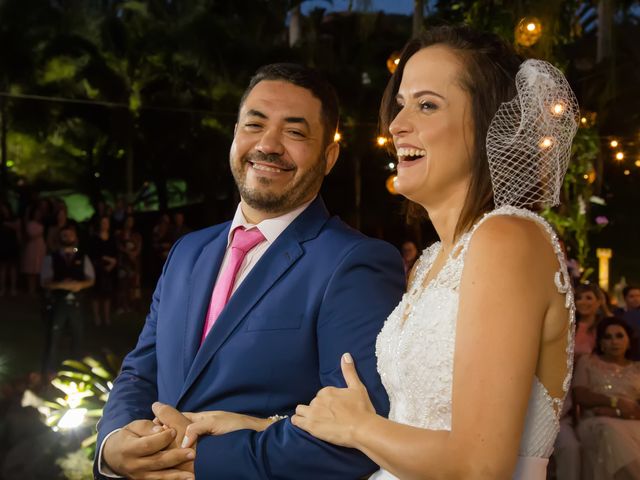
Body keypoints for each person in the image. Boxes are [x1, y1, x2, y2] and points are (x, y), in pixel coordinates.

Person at [158, 25, 579, 479]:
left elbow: (479, 466)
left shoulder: (509, 238)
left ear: (488, 126)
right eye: (401, 105)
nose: (397, 125)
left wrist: (359, 429)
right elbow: (405, 430)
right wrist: (248, 426)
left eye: (427, 105)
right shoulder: (430, 264)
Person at [94, 63, 406, 479]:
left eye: (294, 132)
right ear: (236, 135)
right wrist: (112, 444)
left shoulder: (355, 263)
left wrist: (193, 461)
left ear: (329, 156)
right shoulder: (188, 250)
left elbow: (357, 438)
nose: (269, 145)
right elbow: (141, 369)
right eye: (254, 124)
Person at [573, 317, 640, 479]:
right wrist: (614, 402)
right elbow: (580, 395)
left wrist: (618, 412)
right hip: (596, 421)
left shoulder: (637, 368)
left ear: (629, 341)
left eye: (619, 336)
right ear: (601, 343)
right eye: (607, 337)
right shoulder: (588, 362)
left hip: (632, 420)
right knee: (610, 430)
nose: (614, 341)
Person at [40, 225, 95, 372]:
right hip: (58, 302)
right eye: (64, 235)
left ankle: (75, 371)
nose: (67, 238)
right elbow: (45, 282)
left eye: (70, 235)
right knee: (54, 336)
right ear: (60, 238)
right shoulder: (51, 257)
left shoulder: (83, 257)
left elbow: (91, 279)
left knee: (78, 336)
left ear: (75, 237)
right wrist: (62, 285)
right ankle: (49, 371)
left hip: (77, 302)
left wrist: (79, 284)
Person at [89, 216, 118, 326]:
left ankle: (106, 317)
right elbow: (93, 254)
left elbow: (115, 253)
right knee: (96, 294)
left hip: (109, 269)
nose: (105, 224)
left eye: (107, 222)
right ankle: (97, 317)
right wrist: (104, 259)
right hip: (97, 268)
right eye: (103, 222)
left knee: (107, 294)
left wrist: (112, 263)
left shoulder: (112, 238)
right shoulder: (94, 238)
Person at [575, 284, 613, 357]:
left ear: (598, 302)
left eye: (588, 298)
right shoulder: (567, 325)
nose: (583, 302)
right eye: (579, 298)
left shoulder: (604, 327)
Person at [0, 199, 21, 297]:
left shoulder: (14, 217)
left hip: (12, 244)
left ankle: (13, 288)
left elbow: (18, 228)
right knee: (3, 268)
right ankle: (3, 288)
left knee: (13, 268)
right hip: (2, 244)